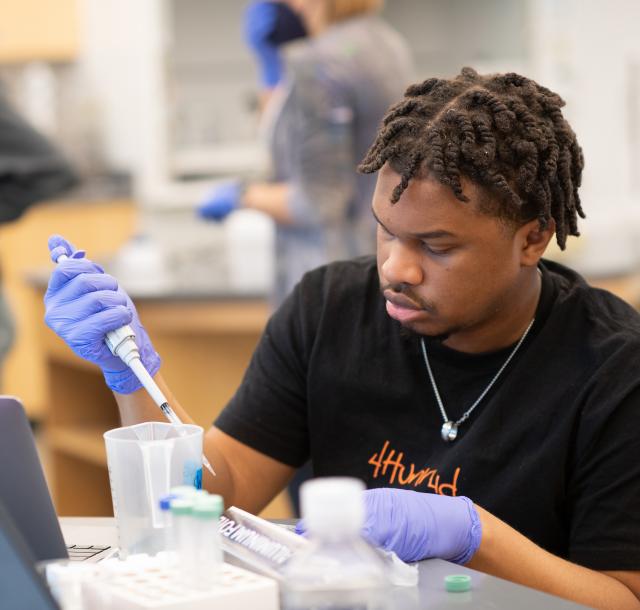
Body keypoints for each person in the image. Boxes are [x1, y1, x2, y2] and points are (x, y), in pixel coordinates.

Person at [43, 67, 640, 608]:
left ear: (533, 239)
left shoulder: (614, 369)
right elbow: (217, 493)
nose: (395, 270)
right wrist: (133, 374)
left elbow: (621, 599)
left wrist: (469, 536)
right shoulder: (328, 308)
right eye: (385, 233)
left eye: (437, 246)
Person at [198, 0, 413, 306]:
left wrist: (242, 195)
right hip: (378, 265)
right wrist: (272, 71)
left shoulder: (319, 62)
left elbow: (317, 203)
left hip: (327, 281)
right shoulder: (387, 44)